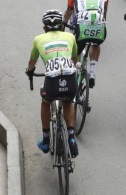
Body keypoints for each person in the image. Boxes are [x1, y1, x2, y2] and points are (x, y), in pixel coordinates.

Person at [26, 10, 79, 157]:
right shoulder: (70, 36)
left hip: (52, 82)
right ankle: (71, 137)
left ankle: (46, 139)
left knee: (45, 102)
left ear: (44, 28)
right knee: (68, 103)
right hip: (70, 79)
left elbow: (32, 62)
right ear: (62, 26)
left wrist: (30, 71)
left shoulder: (38, 39)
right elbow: (74, 58)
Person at [64, 0, 107, 88]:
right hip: (99, 25)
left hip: (81, 25)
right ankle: (92, 73)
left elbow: (69, 12)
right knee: (95, 44)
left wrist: (63, 23)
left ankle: (74, 69)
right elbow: (104, 16)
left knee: (75, 47)